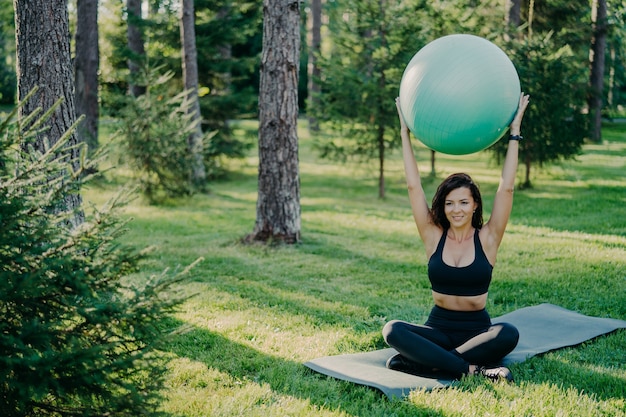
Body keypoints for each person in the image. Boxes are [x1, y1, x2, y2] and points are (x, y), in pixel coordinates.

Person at [382, 92, 531, 382]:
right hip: (437, 330)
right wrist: (404, 131)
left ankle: (428, 364)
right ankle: (471, 369)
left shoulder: (488, 237)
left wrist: (514, 134)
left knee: (508, 333)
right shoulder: (432, 235)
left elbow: (506, 189)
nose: (456, 209)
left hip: (478, 333)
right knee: (393, 330)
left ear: (475, 204)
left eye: (463, 202)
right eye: (449, 203)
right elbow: (414, 187)